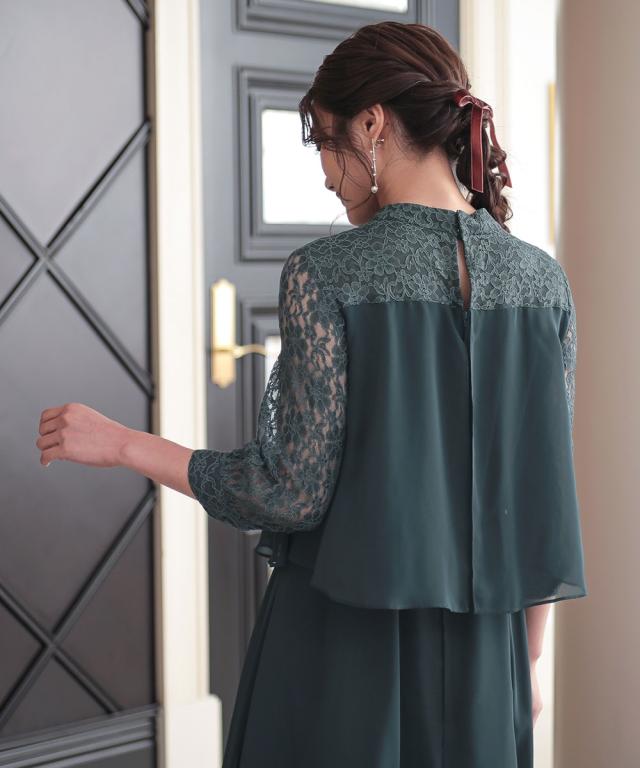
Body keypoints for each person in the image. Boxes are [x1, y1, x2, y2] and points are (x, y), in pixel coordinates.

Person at [36, 20, 587, 768]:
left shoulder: (325, 272)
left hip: (341, 651)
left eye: (325, 143)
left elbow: (288, 491)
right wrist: (527, 664)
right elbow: (542, 499)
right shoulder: (543, 282)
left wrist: (125, 444)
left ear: (372, 125)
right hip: (491, 662)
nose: (326, 173)